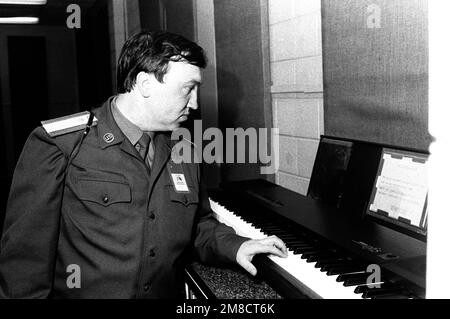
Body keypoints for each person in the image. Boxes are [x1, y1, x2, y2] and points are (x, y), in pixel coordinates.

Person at [0, 30, 287, 299]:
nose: (195, 103)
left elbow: (198, 224)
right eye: (188, 89)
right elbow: (25, 262)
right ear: (145, 84)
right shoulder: (62, 145)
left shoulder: (184, 151)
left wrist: (235, 245)